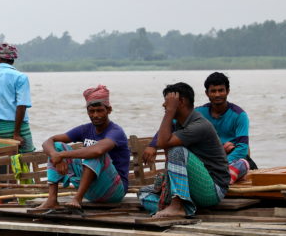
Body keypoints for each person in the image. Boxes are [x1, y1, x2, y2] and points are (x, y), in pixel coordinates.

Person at [138, 82, 230, 219]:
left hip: (212, 190)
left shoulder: (199, 125)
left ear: (179, 102)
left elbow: (164, 143)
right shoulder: (179, 123)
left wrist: (170, 111)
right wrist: (152, 145)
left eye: (167, 102)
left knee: (176, 151)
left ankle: (177, 206)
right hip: (194, 188)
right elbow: (161, 137)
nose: (164, 105)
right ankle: (182, 208)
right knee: (144, 193)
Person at [143, 72, 252, 184]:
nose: (217, 94)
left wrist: (223, 161)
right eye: (213, 91)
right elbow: (171, 124)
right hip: (211, 160)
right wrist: (153, 145)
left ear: (227, 91)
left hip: (231, 159)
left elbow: (242, 148)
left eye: (221, 90)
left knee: (242, 163)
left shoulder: (239, 115)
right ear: (207, 93)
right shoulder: (199, 112)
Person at [37, 85, 130, 213]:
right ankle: (52, 200)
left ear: (109, 110)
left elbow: (97, 151)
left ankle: (77, 198)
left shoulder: (116, 131)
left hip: (113, 191)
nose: (95, 115)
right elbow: (48, 141)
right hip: (91, 190)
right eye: (91, 111)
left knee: (95, 152)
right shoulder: (85, 129)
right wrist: (55, 155)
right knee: (57, 146)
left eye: (100, 110)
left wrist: (63, 155)